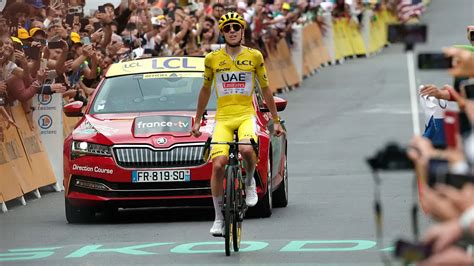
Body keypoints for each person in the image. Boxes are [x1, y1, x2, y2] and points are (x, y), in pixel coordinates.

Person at [190, 12, 285, 236]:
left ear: (242, 31)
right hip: (222, 117)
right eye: (227, 28)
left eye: (236, 27)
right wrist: (197, 120)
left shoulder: (254, 56)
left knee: (245, 149)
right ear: (222, 33)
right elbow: (205, 91)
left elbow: (266, 89)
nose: (232, 31)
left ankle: (250, 181)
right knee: (218, 164)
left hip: (245, 115)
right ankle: (218, 218)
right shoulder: (212, 58)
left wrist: (276, 120)